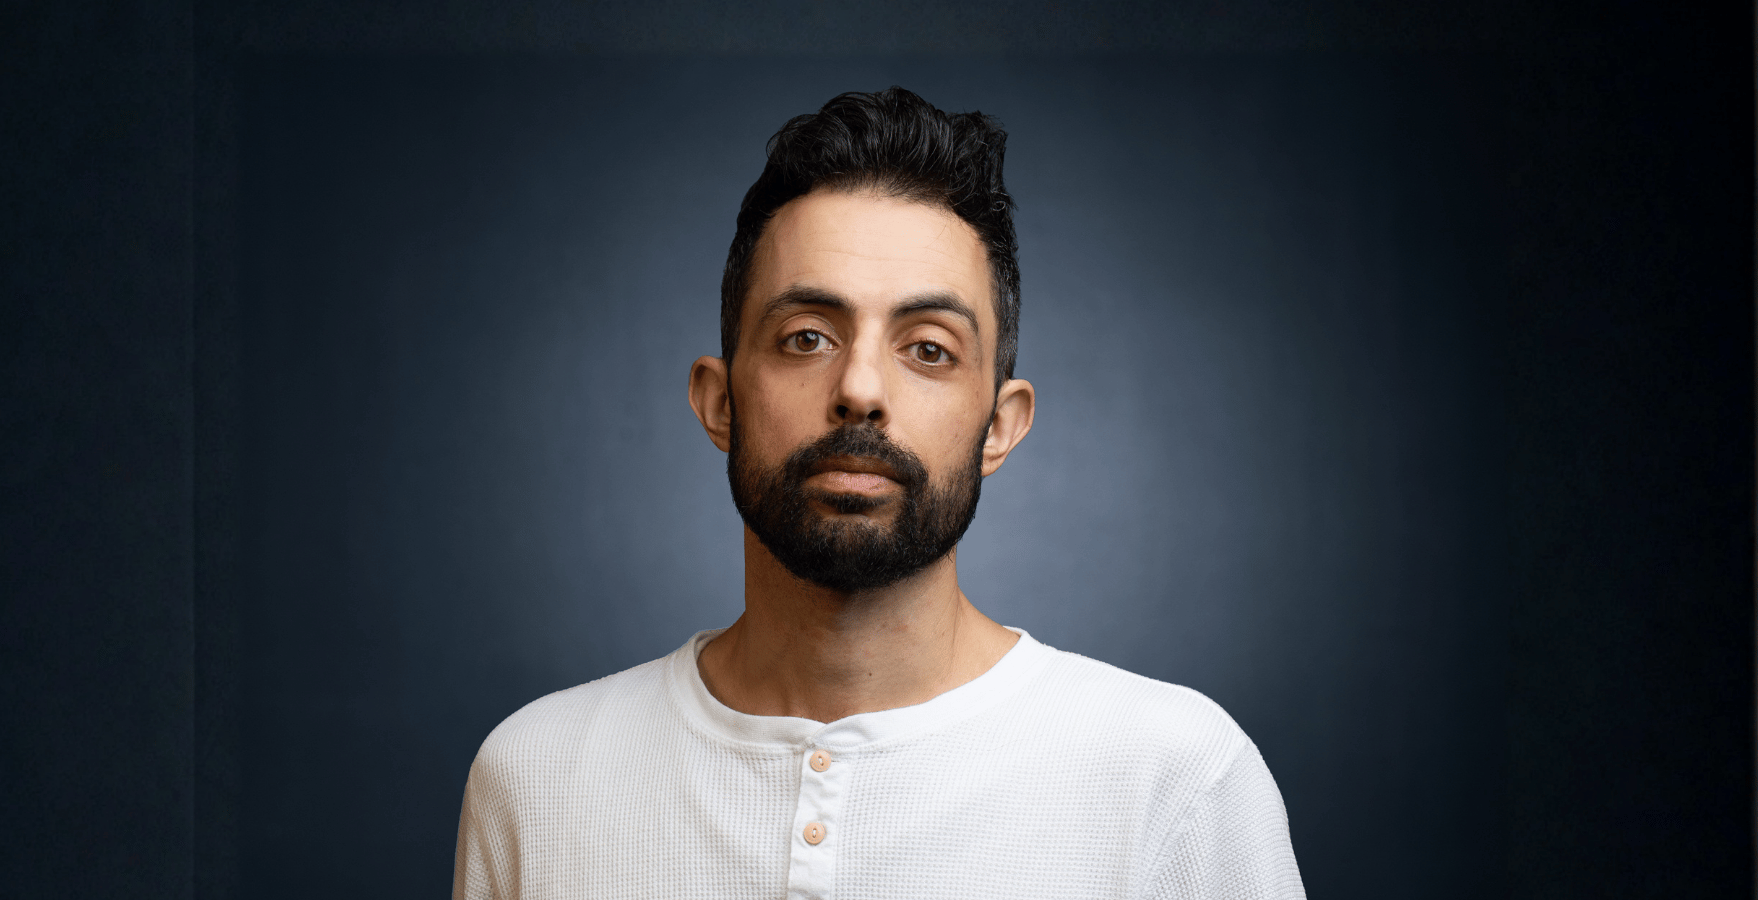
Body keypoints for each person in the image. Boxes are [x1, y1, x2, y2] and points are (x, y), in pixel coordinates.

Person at [453, 86, 1305, 900]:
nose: (860, 389)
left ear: (1000, 426)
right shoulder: (537, 775)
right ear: (720, 403)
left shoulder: (1177, 780)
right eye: (807, 337)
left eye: (929, 348)